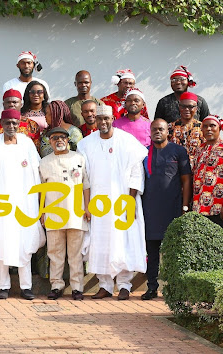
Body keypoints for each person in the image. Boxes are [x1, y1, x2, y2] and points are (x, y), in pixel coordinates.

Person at [76, 105, 148, 300]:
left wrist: (130, 202)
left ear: (112, 118)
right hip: (98, 202)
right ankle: (105, 285)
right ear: (95, 121)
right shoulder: (85, 144)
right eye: (99, 119)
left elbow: (136, 172)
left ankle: (124, 285)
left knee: (124, 240)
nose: (103, 122)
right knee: (100, 241)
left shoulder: (127, 141)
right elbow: (84, 177)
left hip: (123, 200)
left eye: (106, 118)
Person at [0, 109, 45, 300]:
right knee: (1, 243)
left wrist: (38, 204)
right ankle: (3, 286)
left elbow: (37, 173)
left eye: (15, 123)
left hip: (25, 203)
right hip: (0, 202)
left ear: (20, 124)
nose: (11, 126)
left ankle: (26, 287)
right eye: (8, 123)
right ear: (1, 124)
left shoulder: (27, 143)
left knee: (24, 243)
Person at [140, 119, 192, 300]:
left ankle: (173, 289)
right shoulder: (144, 153)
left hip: (173, 209)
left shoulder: (178, 151)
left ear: (167, 131)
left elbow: (186, 180)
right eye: (154, 129)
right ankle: (152, 287)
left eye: (160, 129)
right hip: (150, 210)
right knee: (152, 252)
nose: (157, 132)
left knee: (172, 252)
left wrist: (185, 207)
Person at [38, 127, 90, 301]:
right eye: (54, 138)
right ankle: (56, 285)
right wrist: (42, 212)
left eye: (62, 137)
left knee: (75, 255)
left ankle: (77, 288)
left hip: (76, 213)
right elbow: (41, 190)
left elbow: (86, 185)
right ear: (50, 142)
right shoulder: (44, 162)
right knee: (55, 253)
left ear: (68, 140)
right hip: (53, 213)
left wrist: (88, 207)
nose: (58, 140)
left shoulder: (79, 158)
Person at [192, 115, 223, 232]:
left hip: (219, 208)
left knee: (219, 246)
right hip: (199, 208)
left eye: (212, 126)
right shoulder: (200, 149)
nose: (208, 129)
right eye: (205, 126)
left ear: (219, 128)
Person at [168, 92, 205, 169]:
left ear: (196, 108)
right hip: (175, 171)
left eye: (190, 106)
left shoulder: (203, 127)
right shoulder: (170, 127)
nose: (186, 109)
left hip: (196, 170)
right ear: (179, 107)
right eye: (183, 106)